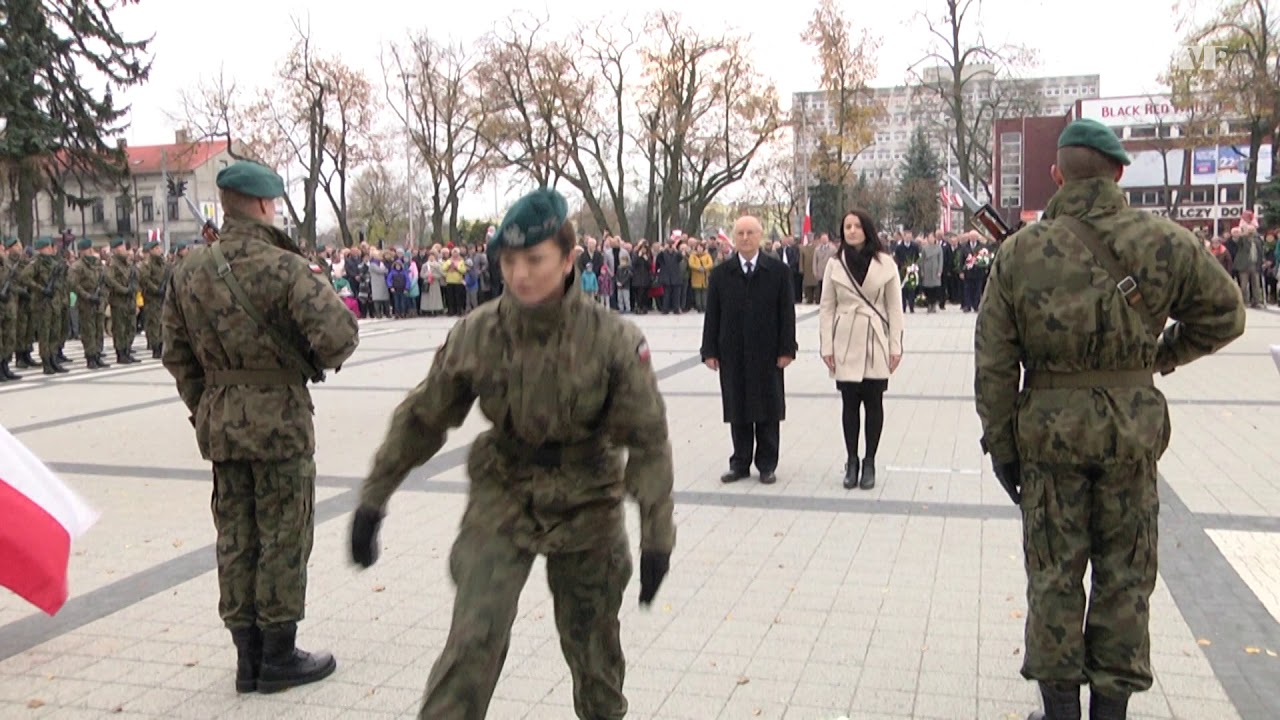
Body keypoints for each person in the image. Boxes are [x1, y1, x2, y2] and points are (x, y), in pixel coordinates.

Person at [348, 187, 675, 720]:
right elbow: (424, 416)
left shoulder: (613, 339)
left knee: (594, 654)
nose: (520, 274)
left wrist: (657, 534)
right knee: (473, 637)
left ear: (569, 259)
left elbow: (648, 441)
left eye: (534, 260)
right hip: (504, 490)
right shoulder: (479, 332)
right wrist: (373, 498)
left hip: (587, 496)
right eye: (509, 261)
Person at [974, 119, 1246, 720]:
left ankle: (1059, 713)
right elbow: (1227, 316)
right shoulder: (1165, 241)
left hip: (1048, 443)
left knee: (1054, 578)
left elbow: (995, 363)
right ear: (1120, 173)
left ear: (1056, 175)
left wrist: (1001, 446)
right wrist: (1157, 356)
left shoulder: (1019, 253)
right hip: (1129, 438)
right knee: (1126, 579)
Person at [160, 161, 360, 695]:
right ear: (268, 205)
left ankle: (246, 658)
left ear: (226, 205)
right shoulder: (286, 268)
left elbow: (174, 353)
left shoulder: (189, 270)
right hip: (280, 423)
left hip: (222, 423)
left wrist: (207, 404)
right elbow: (340, 337)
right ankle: (278, 655)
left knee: (236, 535)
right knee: (282, 534)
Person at [701, 215, 798, 485]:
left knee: (768, 407)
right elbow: (713, 315)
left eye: (750, 232)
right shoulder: (721, 273)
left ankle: (767, 464)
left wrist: (787, 349)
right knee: (738, 407)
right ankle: (740, 462)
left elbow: (786, 313)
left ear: (760, 236)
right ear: (734, 237)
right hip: (733, 351)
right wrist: (709, 350)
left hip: (768, 352)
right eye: (740, 233)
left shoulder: (778, 272)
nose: (745, 237)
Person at [819, 209, 904, 490]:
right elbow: (827, 307)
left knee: (874, 402)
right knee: (849, 405)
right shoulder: (835, 264)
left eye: (856, 226)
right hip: (845, 338)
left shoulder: (886, 263)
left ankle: (870, 461)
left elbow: (894, 307)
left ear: (867, 229)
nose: (851, 230)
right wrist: (826, 346)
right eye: (847, 226)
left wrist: (896, 346)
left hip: (875, 338)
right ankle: (851, 460)